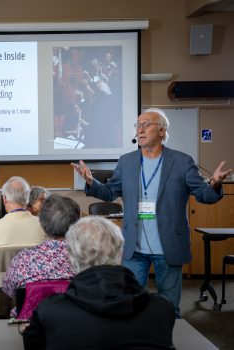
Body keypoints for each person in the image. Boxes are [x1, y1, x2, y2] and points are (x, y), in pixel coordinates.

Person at [72, 107, 232, 317]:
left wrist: (215, 185)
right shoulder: (126, 161)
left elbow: (203, 195)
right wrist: (92, 182)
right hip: (134, 248)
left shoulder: (182, 162)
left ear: (162, 131)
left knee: (169, 307)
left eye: (146, 125)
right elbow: (111, 192)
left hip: (168, 247)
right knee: (130, 304)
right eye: (138, 125)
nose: (140, 129)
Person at [22, 216, 176, 350]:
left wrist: (33, 330)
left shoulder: (49, 312)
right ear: (120, 253)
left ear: (71, 258)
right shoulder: (163, 310)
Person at [2, 194, 79, 298]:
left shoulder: (23, 259)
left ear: (42, 223)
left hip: (32, 313)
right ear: (76, 224)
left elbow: (8, 290)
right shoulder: (89, 259)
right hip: (78, 313)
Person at [0, 176, 46, 262]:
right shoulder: (45, 226)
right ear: (28, 199)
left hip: (0, 275)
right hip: (35, 275)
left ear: (5, 199)